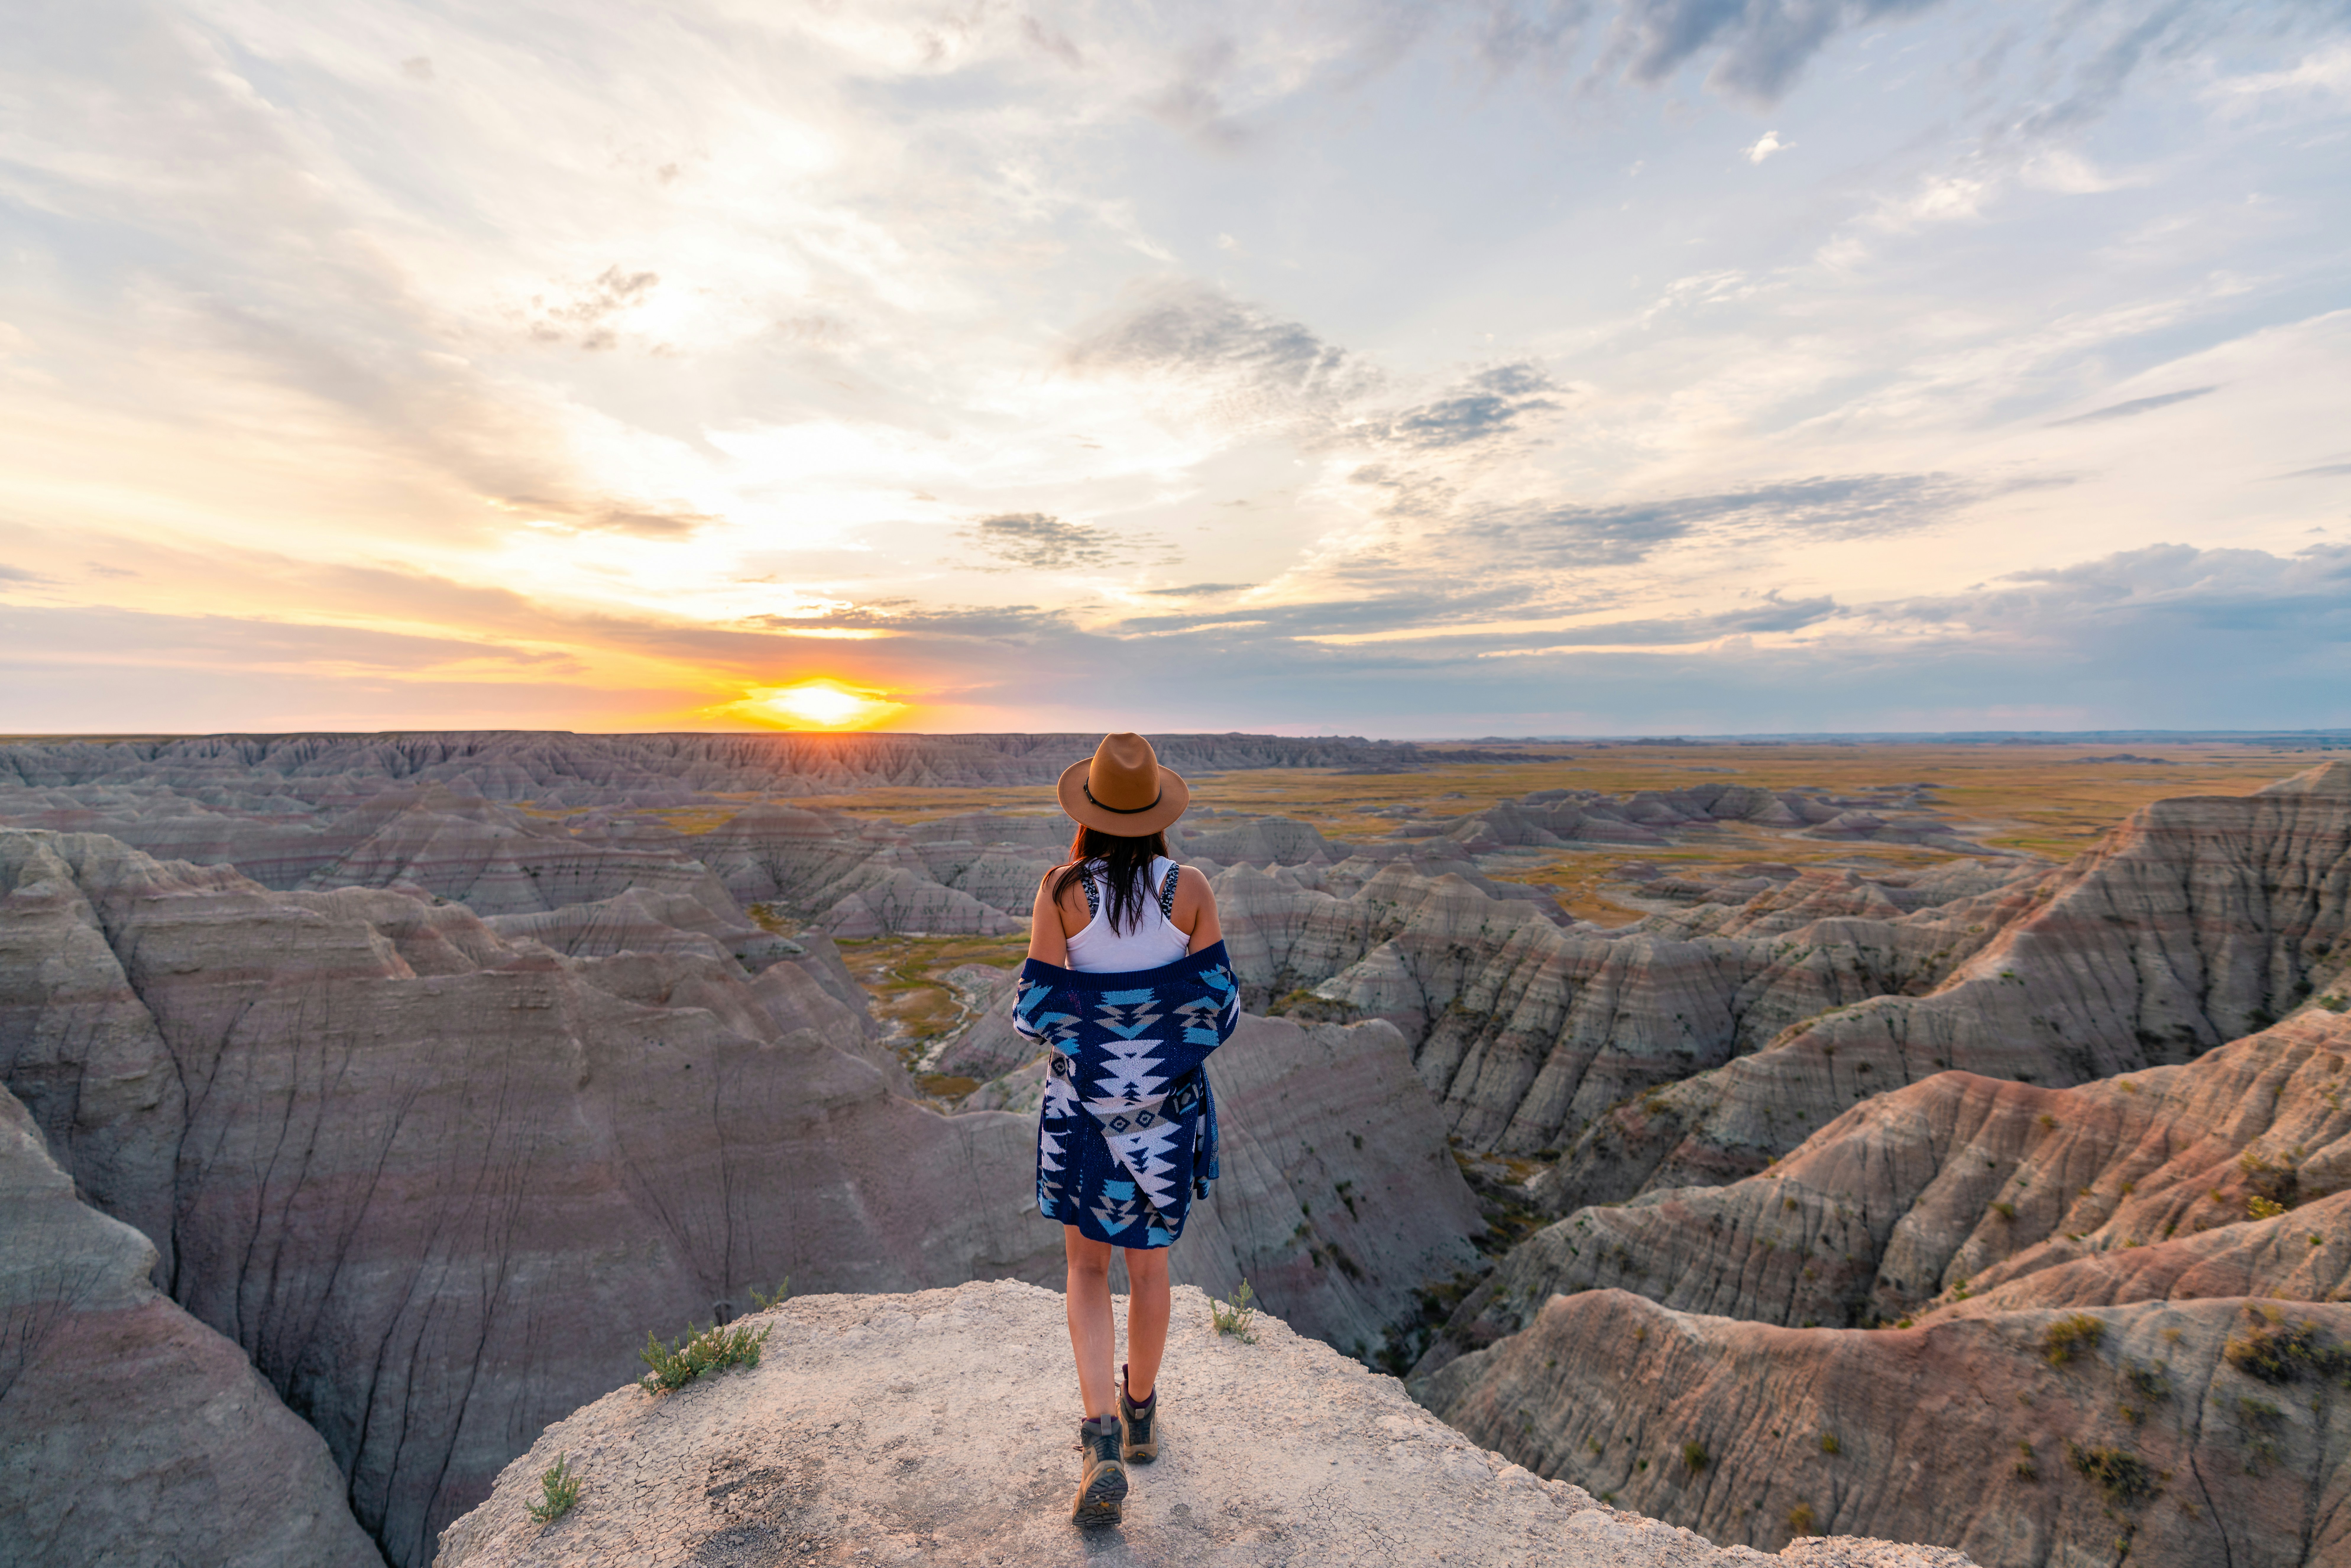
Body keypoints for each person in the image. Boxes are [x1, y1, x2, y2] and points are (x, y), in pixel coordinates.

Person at [1013, 732, 1237, 1528]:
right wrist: (1151, 1055)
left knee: (1085, 1272)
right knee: (1149, 1271)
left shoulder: (1061, 889)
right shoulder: (1193, 888)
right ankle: (1140, 1411)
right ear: (1155, 813)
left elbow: (1038, 1009)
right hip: (1166, 1120)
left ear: (1088, 811)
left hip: (1084, 1119)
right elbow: (1218, 1009)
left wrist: (1102, 1046)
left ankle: (1101, 1436)